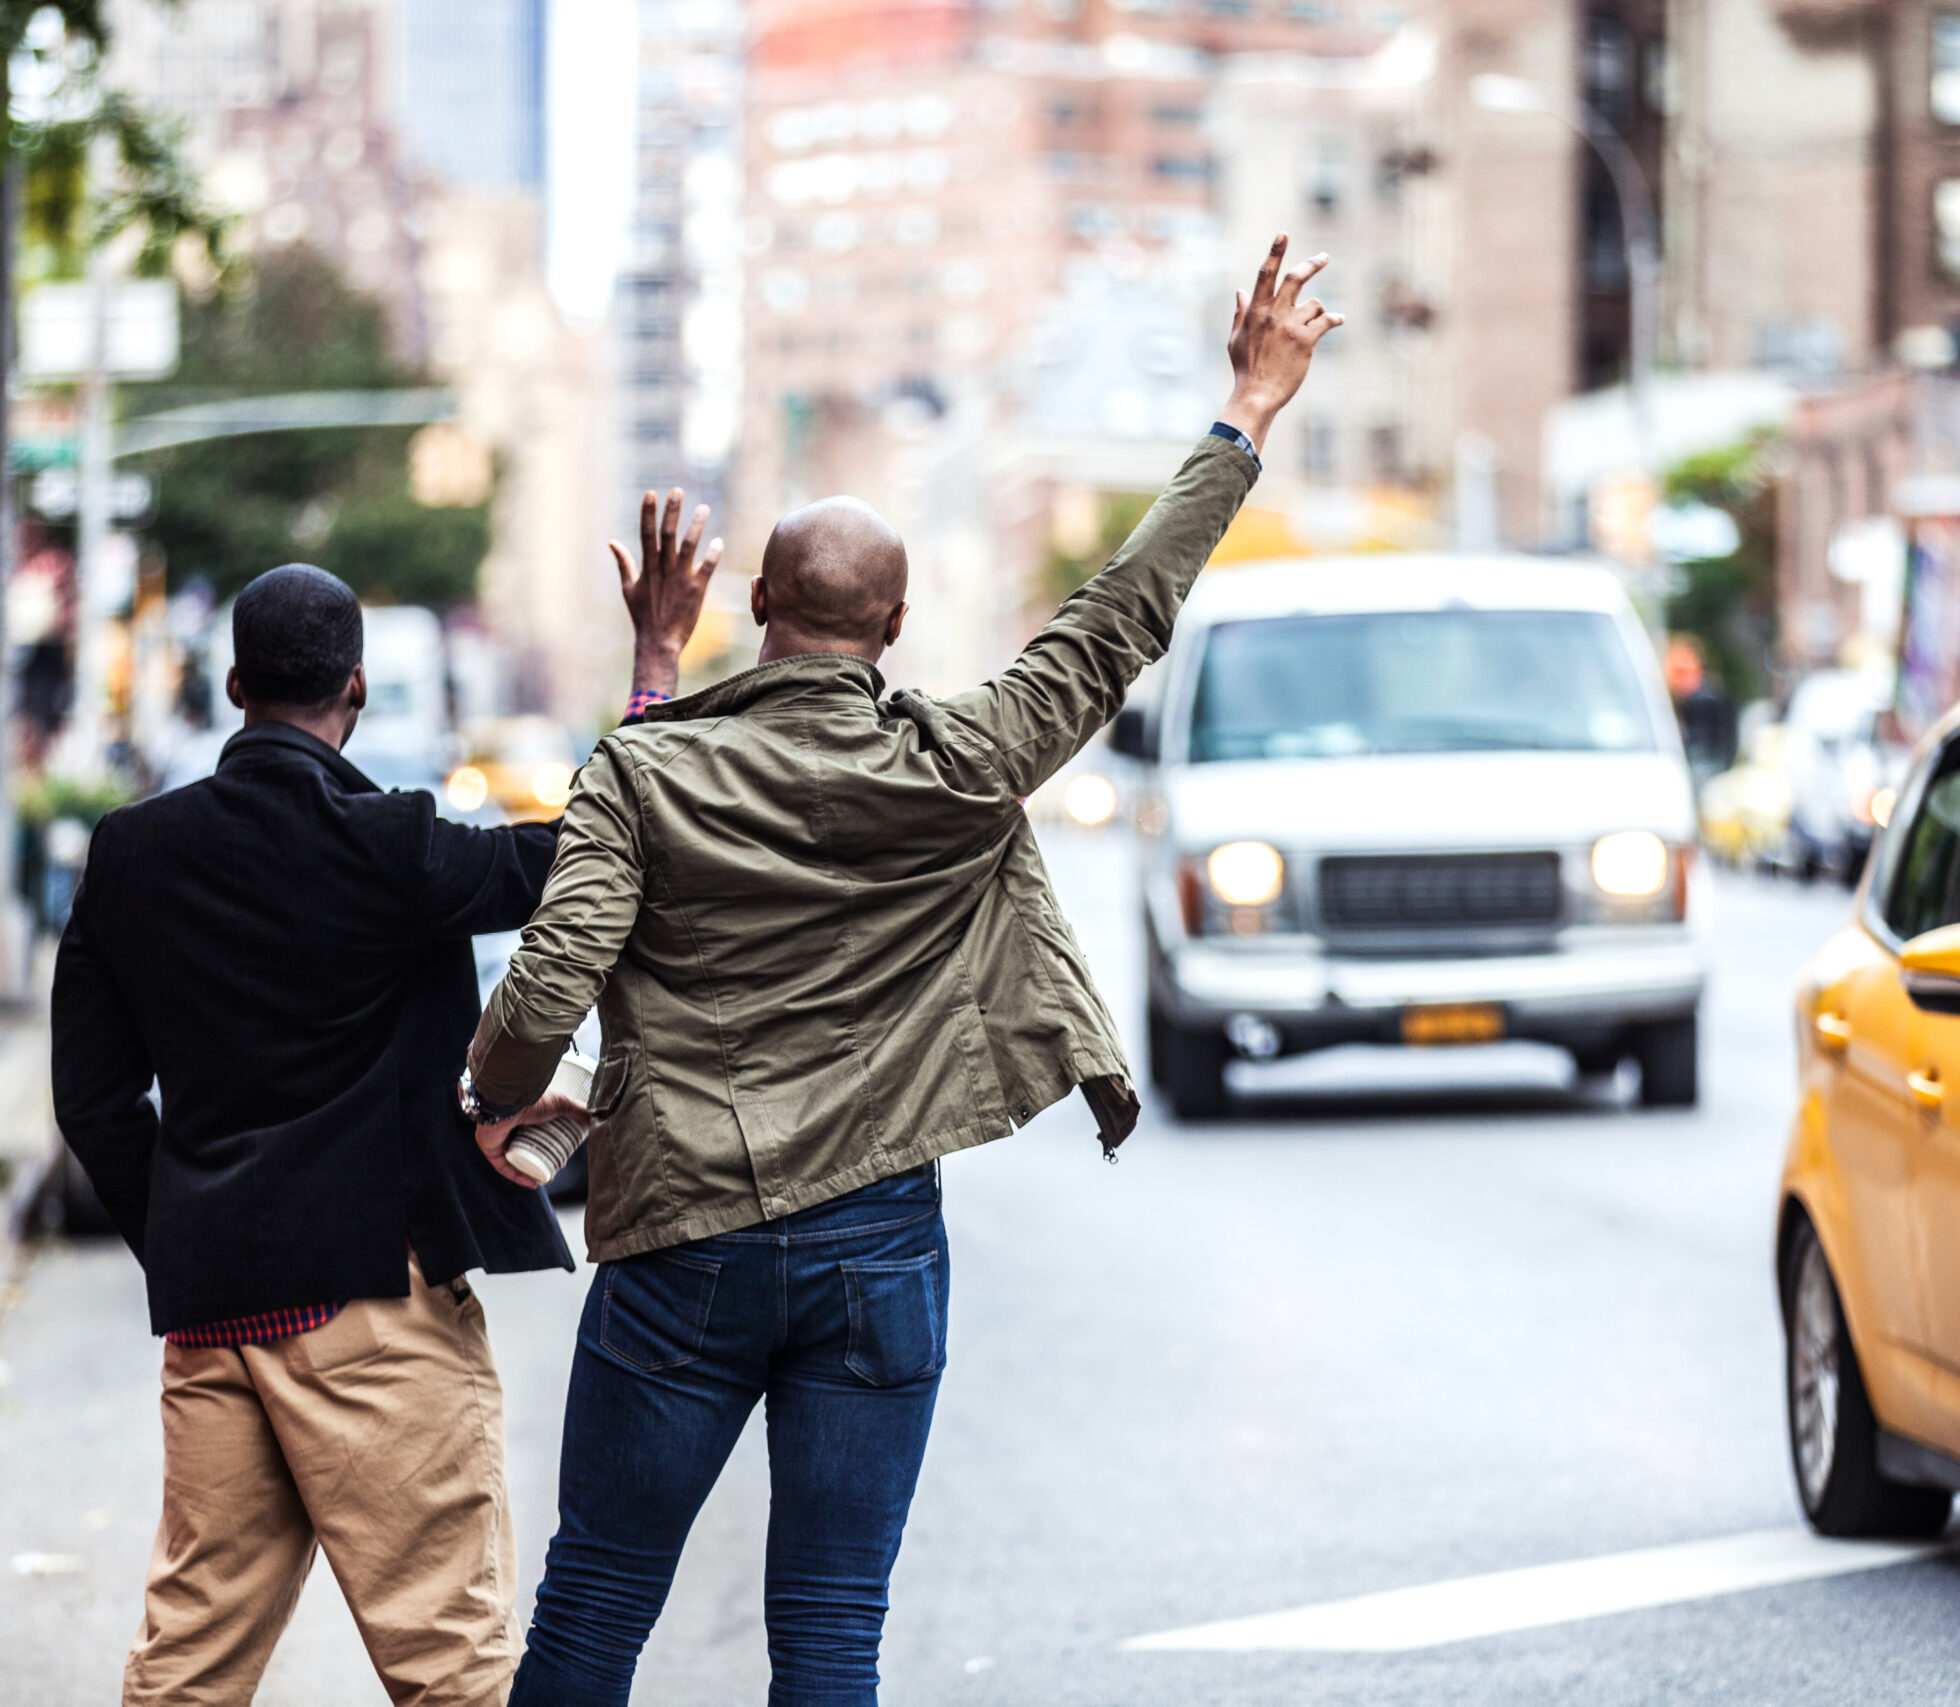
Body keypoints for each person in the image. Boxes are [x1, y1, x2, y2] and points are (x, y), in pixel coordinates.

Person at [462, 235, 1342, 1707]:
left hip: (680, 1245)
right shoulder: (963, 759)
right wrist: (1248, 404)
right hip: (878, 1246)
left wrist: (494, 1098)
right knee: (828, 1629)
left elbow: (550, 990)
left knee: (596, 1600)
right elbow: (1123, 609)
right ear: (897, 626)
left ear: (756, 602)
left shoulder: (641, 769)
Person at [52, 563, 587, 1707]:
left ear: (235, 683)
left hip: (216, 1320)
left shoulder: (131, 852)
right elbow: (582, 859)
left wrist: (189, 1233)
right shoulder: (394, 846)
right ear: (355, 689)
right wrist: (647, 686)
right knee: (453, 1666)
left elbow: (94, 1103)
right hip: (370, 1313)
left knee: (188, 1666)